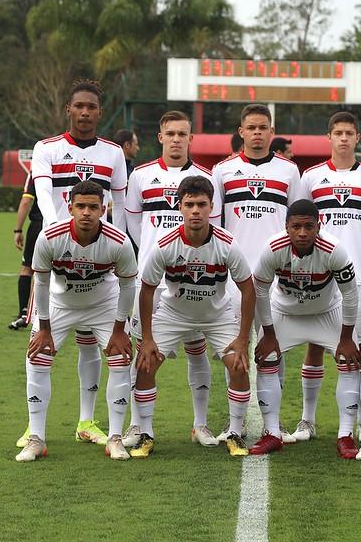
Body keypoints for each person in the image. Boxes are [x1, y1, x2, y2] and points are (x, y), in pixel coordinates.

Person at [16, 78, 130, 449]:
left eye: (91, 107)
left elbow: (121, 208)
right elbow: (44, 194)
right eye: (78, 106)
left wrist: (118, 245)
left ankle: (86, 420)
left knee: (91, 345)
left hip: (99, 258)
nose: (84, 112)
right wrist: (56, 230)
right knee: (38, 348)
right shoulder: (46, 148)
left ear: (100, 111)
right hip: (60, 252)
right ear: (68, 109)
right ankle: (35, 430)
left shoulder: (113, 153)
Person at [130, 176, 255, 458]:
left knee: (238, 365)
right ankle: (146, 434)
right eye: (189, 205)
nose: (195, 210)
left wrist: (243, 338)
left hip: (217, 315)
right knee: (145, 365)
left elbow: (248, 289)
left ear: (212, 206)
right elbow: (147, 291)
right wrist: (147, 338)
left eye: (201, 204)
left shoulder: (227, 244)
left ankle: (235, 431)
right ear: (180, 207)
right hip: (174, 313)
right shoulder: (164, 245)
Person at [15, 180, 137, 462]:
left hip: (102, 304)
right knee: (37, 357)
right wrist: (43, 328)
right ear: (69, 208)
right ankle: (36, 439)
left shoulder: (118, 242)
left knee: (120, 359)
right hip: (60, 303)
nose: (86, 212)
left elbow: (128, 286)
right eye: (80, 206)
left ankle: (116, 438)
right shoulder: (50, 237)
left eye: (93, 207)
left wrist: (120, 329)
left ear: (103, 209)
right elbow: (41, 283)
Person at [123, 111, 222, 449]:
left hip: (192, 278)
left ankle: (200, 425)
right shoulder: (140, 176)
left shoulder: (207, 178)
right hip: (152, 278)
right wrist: (155, 250)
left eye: (183, 133)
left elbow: (214, 228)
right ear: (160, 136)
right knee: (145, 352)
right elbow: (135, 227)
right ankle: (138, 426)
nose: (177, 139)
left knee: (198, 350)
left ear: (190, 138)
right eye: (171, 133)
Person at [292, 111, 361, 442]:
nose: (344, 138)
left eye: (349, 133)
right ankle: (307, 420)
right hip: (320, 275)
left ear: (358, 138)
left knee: (358, 349)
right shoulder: (311, 177)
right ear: (328, 137)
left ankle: (358, 420)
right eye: (338, 132)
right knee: (315, 345)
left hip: (358, 275)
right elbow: (299, 225)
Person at [212, 103, 302, 443]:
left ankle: (273, 425)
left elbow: (297, 223)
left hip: (277, 275)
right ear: (241, 131)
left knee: (272, 349)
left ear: (271, 131)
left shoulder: (290, 171)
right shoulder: (222, 170)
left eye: (263, 127)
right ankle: (235, 425)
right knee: (234, 350)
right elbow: (215, 223)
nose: (257, 133)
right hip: (234, 275)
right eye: (251, 128)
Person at [252, 200, 360, 457]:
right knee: (265, 359)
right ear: (286, 227)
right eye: (296, 226)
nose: (302, 233)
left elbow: (351, 295)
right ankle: (272, 433)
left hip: (326, 312)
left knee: (350, 361)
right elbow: (260, 290)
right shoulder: (272, 248)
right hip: (285, 312)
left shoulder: (334, 250)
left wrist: (346, 337)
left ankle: (345, 435)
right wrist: (268, 334)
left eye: (308, 227)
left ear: (319, 226)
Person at [8, 173, 42, 330]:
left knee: (27, 268)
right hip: (64, 225)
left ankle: (24, 312)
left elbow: (26, 201)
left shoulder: (36, 171)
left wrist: (18, 230)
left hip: (39, 225)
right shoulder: (64, 164)